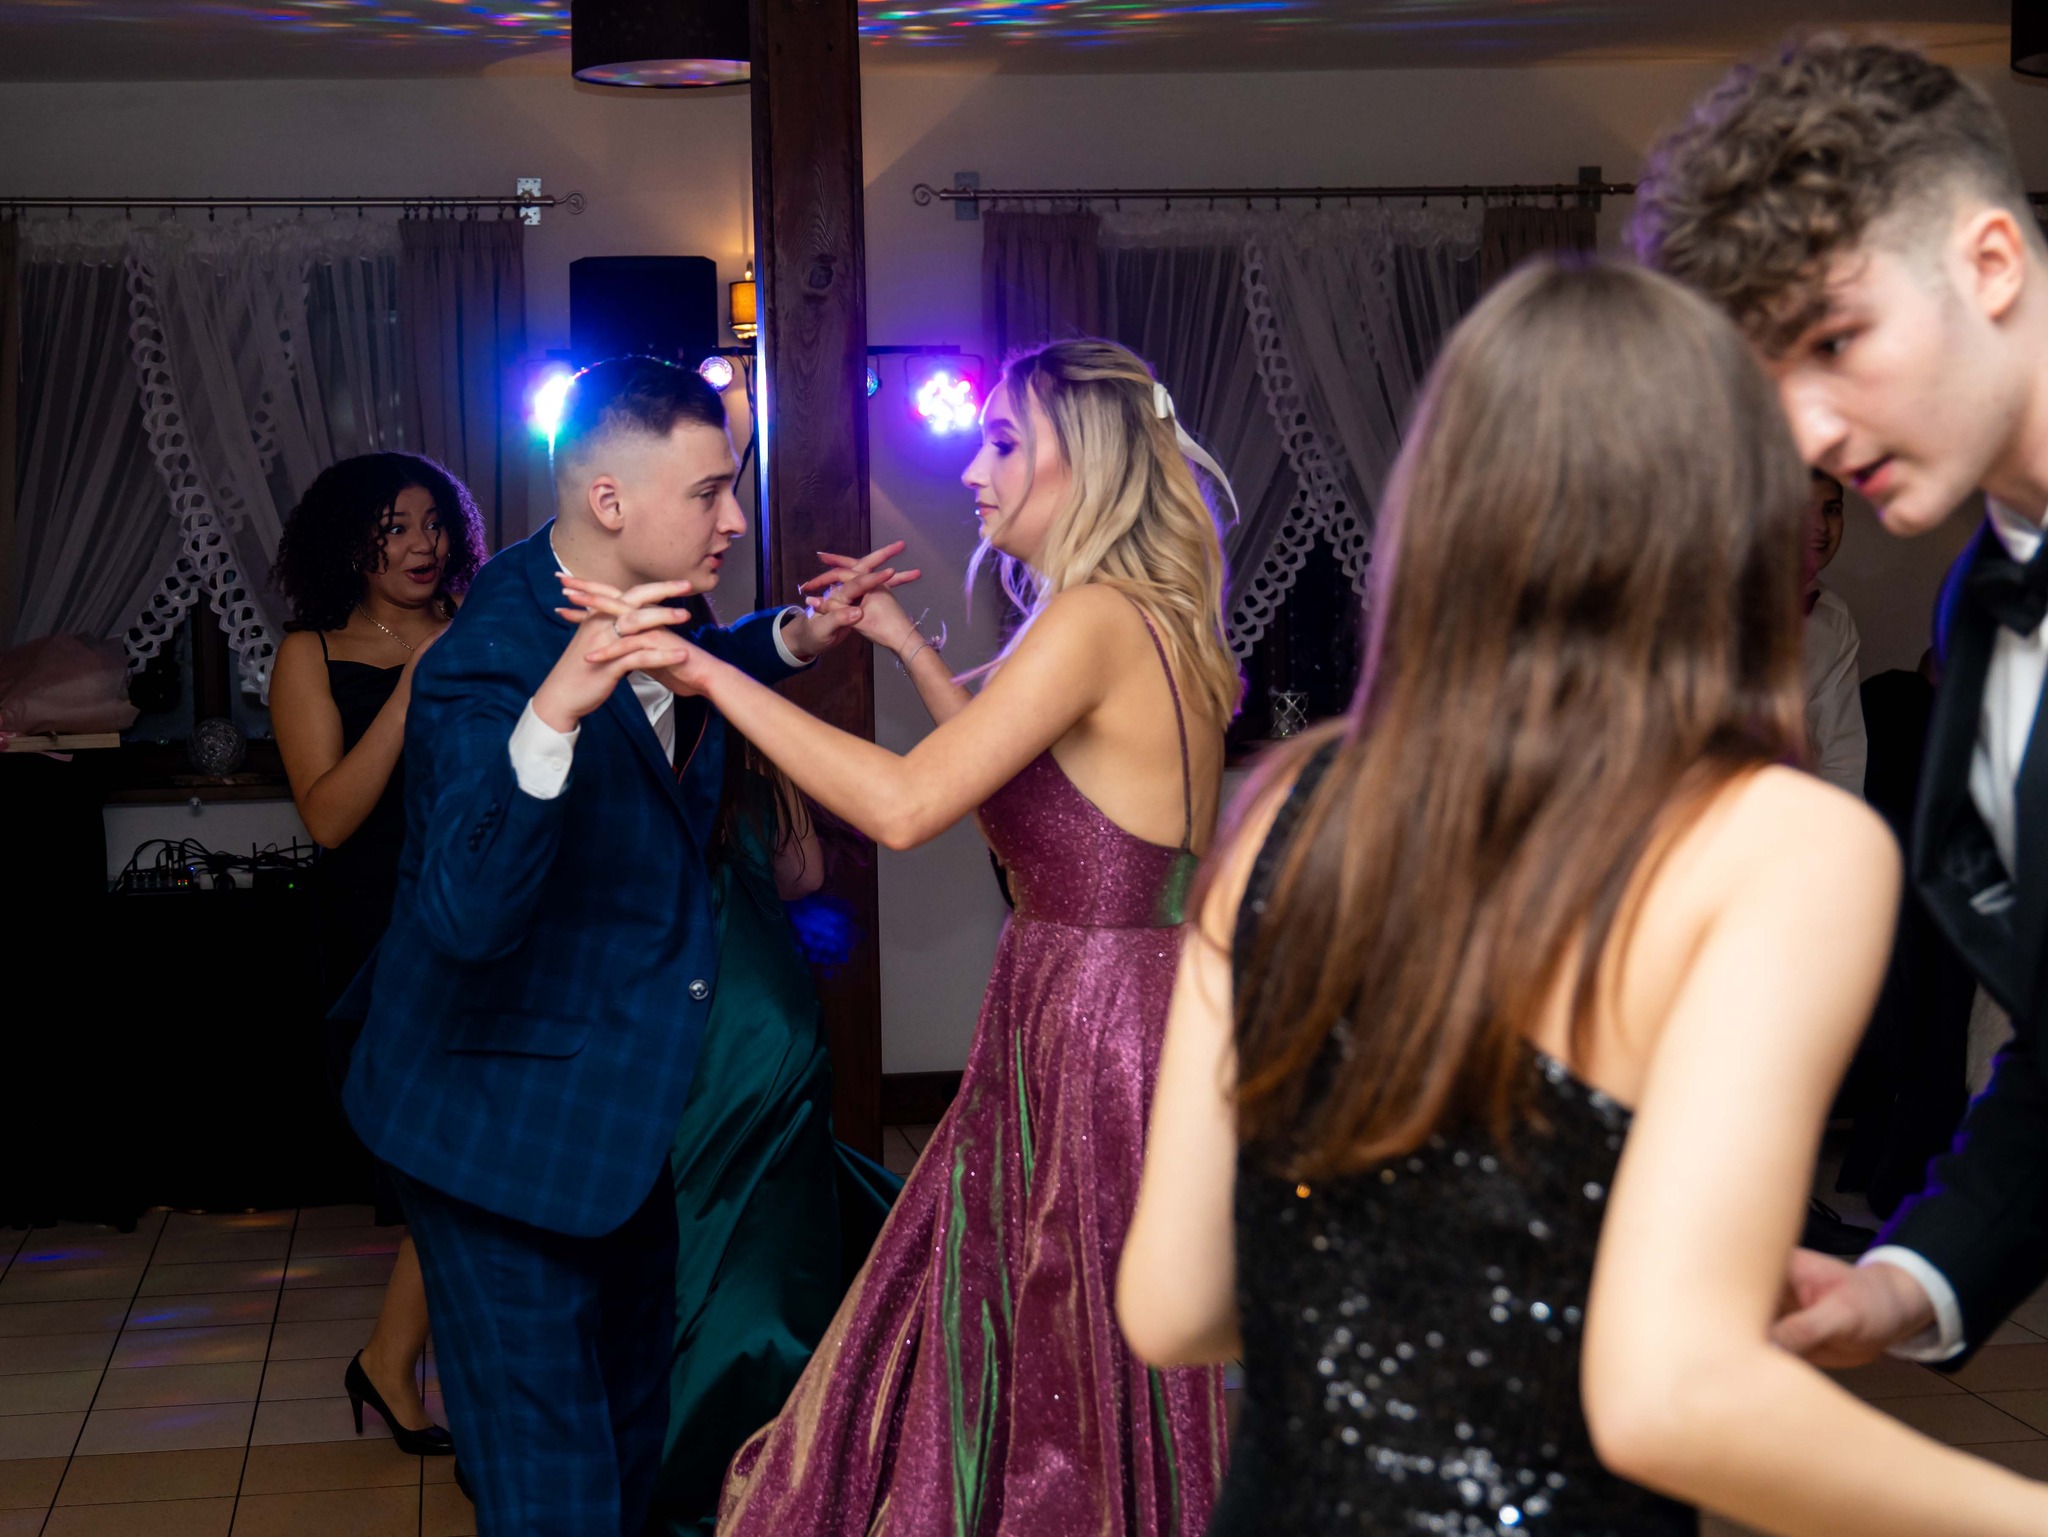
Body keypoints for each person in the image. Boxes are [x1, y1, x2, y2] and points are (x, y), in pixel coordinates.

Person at [1117, 259, 2048, 1537]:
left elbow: (1170, 1303)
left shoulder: (1296, 807)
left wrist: (1407, 1291)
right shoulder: (1776, 842)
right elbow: (1670, 1398)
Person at [566, 337, 1236, 1536]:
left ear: (1083, 462)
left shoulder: (1090, 619)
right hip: (1113, 1000)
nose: (973, 470)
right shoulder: (1133, 617)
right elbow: (1011, 770)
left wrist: (704, 676)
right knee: (1058, 1326)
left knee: (1062, 1326)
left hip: (1092, 1017)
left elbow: (907, 804)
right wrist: (907, 645)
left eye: (1002, 442)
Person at [339, 356, 886, 1536]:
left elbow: (696, 666)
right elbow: (464, 915)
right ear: (608, 501)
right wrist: (554, 712)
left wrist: (795, 636)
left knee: (638, 1442)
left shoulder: (653, 597)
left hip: (624, 1117)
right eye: (709, 491)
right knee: (556, 1491)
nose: (733, 517)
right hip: (497, 1130)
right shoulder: (488, 658)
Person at [1635, 37, 2048, 1374]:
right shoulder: (1982, 604)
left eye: (1834, 345)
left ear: (1990, 263)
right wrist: (1909, 1283)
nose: (1806, 438)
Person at [269, 451, 485, 1458]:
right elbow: (327, 817)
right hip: (379, 940)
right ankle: (397, 1363)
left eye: (434, 522)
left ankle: (393, 1361)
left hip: (483, 919)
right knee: (445, 1165)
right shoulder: (310, 653)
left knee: (471, 1161)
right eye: (394, 527)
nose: (421, 544)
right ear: (349, 541)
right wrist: (409, 690)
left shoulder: (482, 626)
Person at [650, 688, 900, 1537]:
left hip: (690, 1022)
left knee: (699, 1227)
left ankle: (702, 1455)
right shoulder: (746, 748)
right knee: (775, 1227)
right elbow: (806, 873)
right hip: (771, 1014)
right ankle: (792, 1447)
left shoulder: (618, 750)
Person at [1801, 468, 1867, 799]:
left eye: (1831, 509)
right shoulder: (1709, 601)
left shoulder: (1834, 619)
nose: (1820, 526)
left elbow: (1842, 756)